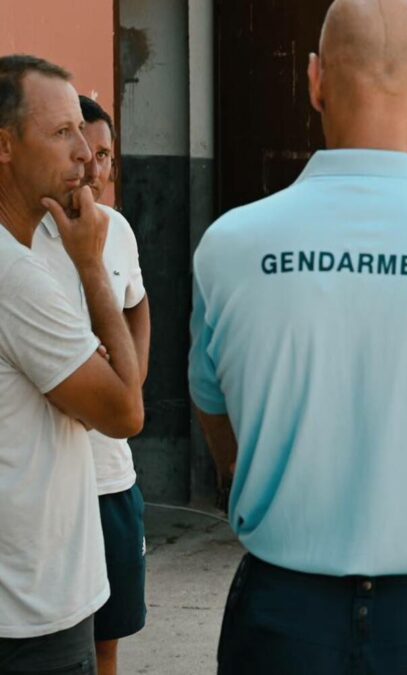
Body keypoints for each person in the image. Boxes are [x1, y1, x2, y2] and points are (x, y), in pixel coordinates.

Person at [187, 1, 407, 673]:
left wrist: (294, 470)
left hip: (282, 618)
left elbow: (220, 426)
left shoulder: (229, 247)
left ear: (315, 80)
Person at [0, 55, 143, 673]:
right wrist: (90, 265)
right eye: (63, 133)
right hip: (31, 612)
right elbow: (124, 410)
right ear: (5, 146)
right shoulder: (16, 278)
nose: (85, 154)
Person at [32, 95, 150, 675]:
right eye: (84, 151)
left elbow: (137, 305)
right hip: (55, 482)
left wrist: (132, 375)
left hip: (111, 476)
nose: (95, 168)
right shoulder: (28, 242)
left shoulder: (118, 231)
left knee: (108, 638)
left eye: (106, 154)